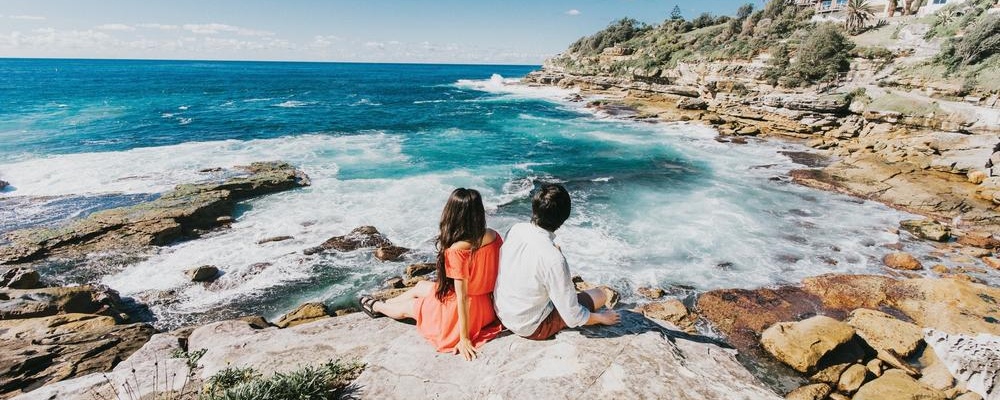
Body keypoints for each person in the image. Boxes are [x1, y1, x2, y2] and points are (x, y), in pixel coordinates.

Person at [358, 188, 502, 361]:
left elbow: (462, 297)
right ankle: (387, 300)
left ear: (453, 213)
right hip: (486, 307)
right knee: (420, 286)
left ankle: (376, 306)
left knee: (411, 307)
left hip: (463, 314)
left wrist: (464, 338)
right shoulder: (493, 236)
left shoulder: (458, 250)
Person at [494, 183, 620, 341]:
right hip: (531, 326)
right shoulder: (553, 259)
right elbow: (572, 317)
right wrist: (601, 318)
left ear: (535, 208)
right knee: (600, 294)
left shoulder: (516, 230)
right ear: (564, 217)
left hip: (503, 312)